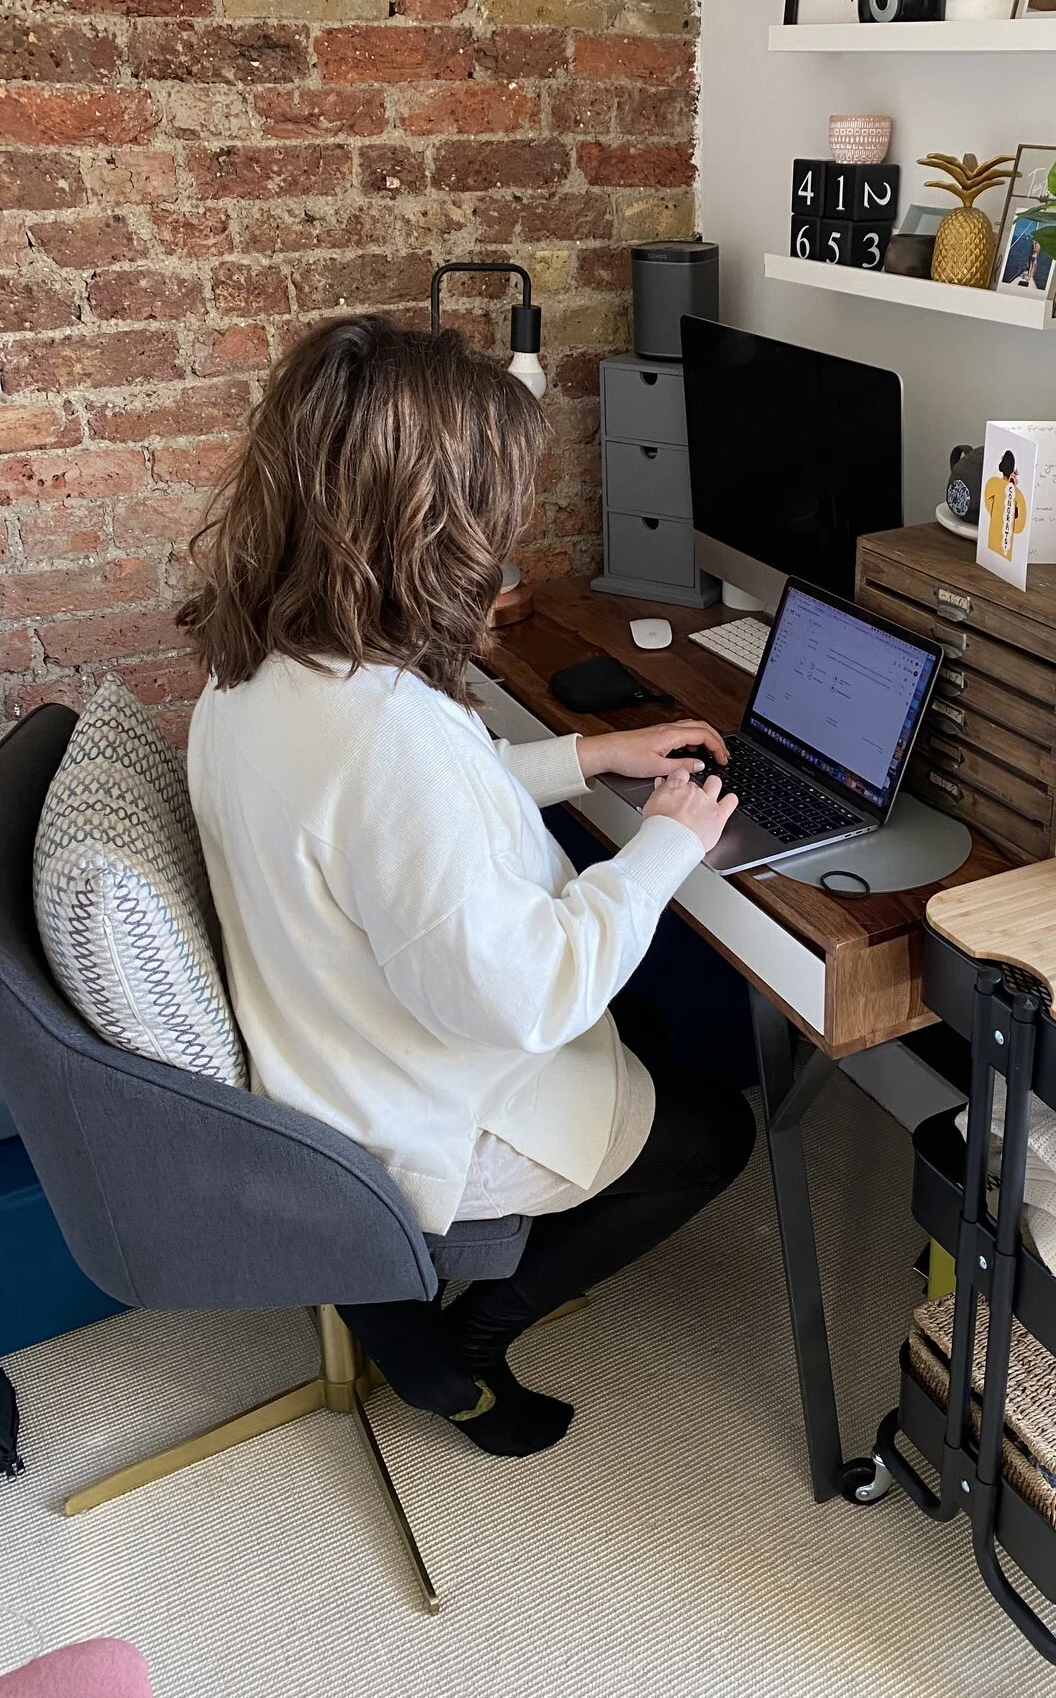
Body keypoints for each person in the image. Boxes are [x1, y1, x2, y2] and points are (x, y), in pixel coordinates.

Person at [179, 315, 755, 1458]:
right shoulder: (389, 736)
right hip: (421, 1107)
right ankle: (470, 1342)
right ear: (427, 526)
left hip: (326, 1044)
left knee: (637, 1025)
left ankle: (435, 1324)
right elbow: (529, 994)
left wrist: (588, 755)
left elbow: (391, 825)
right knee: (717, 1134)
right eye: (495, 511)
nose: (509, 539)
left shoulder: (259, 663)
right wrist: (666, 841)